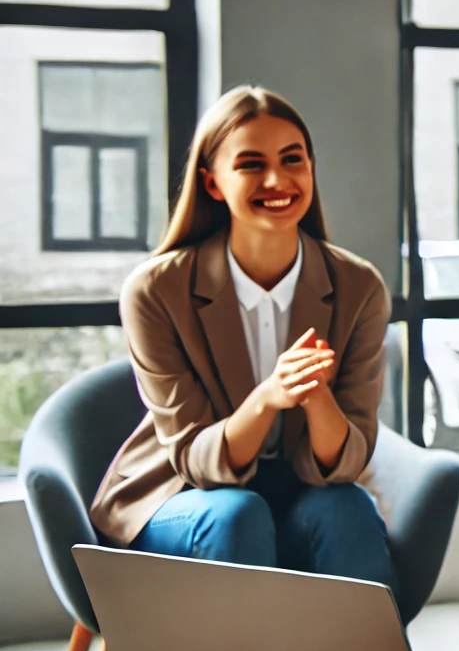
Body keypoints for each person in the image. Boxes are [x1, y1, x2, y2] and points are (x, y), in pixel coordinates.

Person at [91, 86, 398, 598]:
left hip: (299, 491)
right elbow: (194, 458)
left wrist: (315, 394)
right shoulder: (156, 290)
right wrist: (268, 397)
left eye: (292, 159)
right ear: (212, 184)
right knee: (237, 515)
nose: (277, 180)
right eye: (251, 164)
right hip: (183, 496)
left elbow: (345, 464)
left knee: (348, 510)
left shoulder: (358, 286)